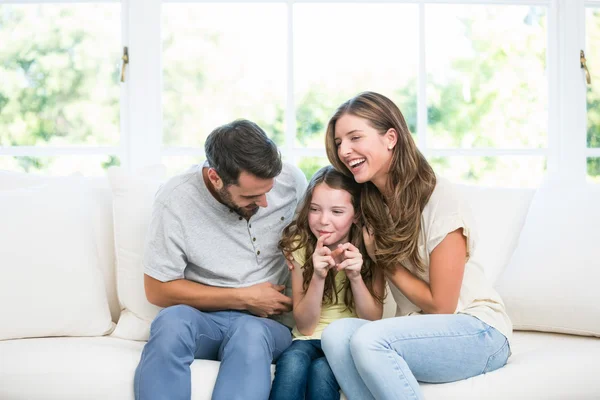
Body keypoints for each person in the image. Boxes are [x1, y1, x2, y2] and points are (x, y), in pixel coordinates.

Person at [320, 92, 513, 400]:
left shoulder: (440, 198)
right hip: (418, 330)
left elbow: (442, 306)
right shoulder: (372, 205)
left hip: (479, 331)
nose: (344, 150)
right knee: (336, 336)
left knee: (369, 340)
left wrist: (382, 258)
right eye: (340, 141)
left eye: (355, 137)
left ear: (391, 138)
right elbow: (372, 313)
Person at [134, 119, 307, 400]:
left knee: (249, 333)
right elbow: (157, 289)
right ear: (216, 178)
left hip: (266, 326)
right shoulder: (175, 199)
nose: (265, 203)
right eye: (251, 195)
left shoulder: (291, 181)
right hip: (203, 320)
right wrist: (244, 298)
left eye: (268, 191)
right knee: (171, 322)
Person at [269, 166, 385, 400]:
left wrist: (355, 276)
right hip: (308, 338)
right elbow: (305, 326)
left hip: (348, 341)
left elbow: (371, 320)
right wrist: (318, 277)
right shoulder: (300, 245)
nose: (323, 221)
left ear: (357, 215)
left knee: (321, 370)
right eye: (314, 209)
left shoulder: (371, 246)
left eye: (337, 211)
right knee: (293, 360)